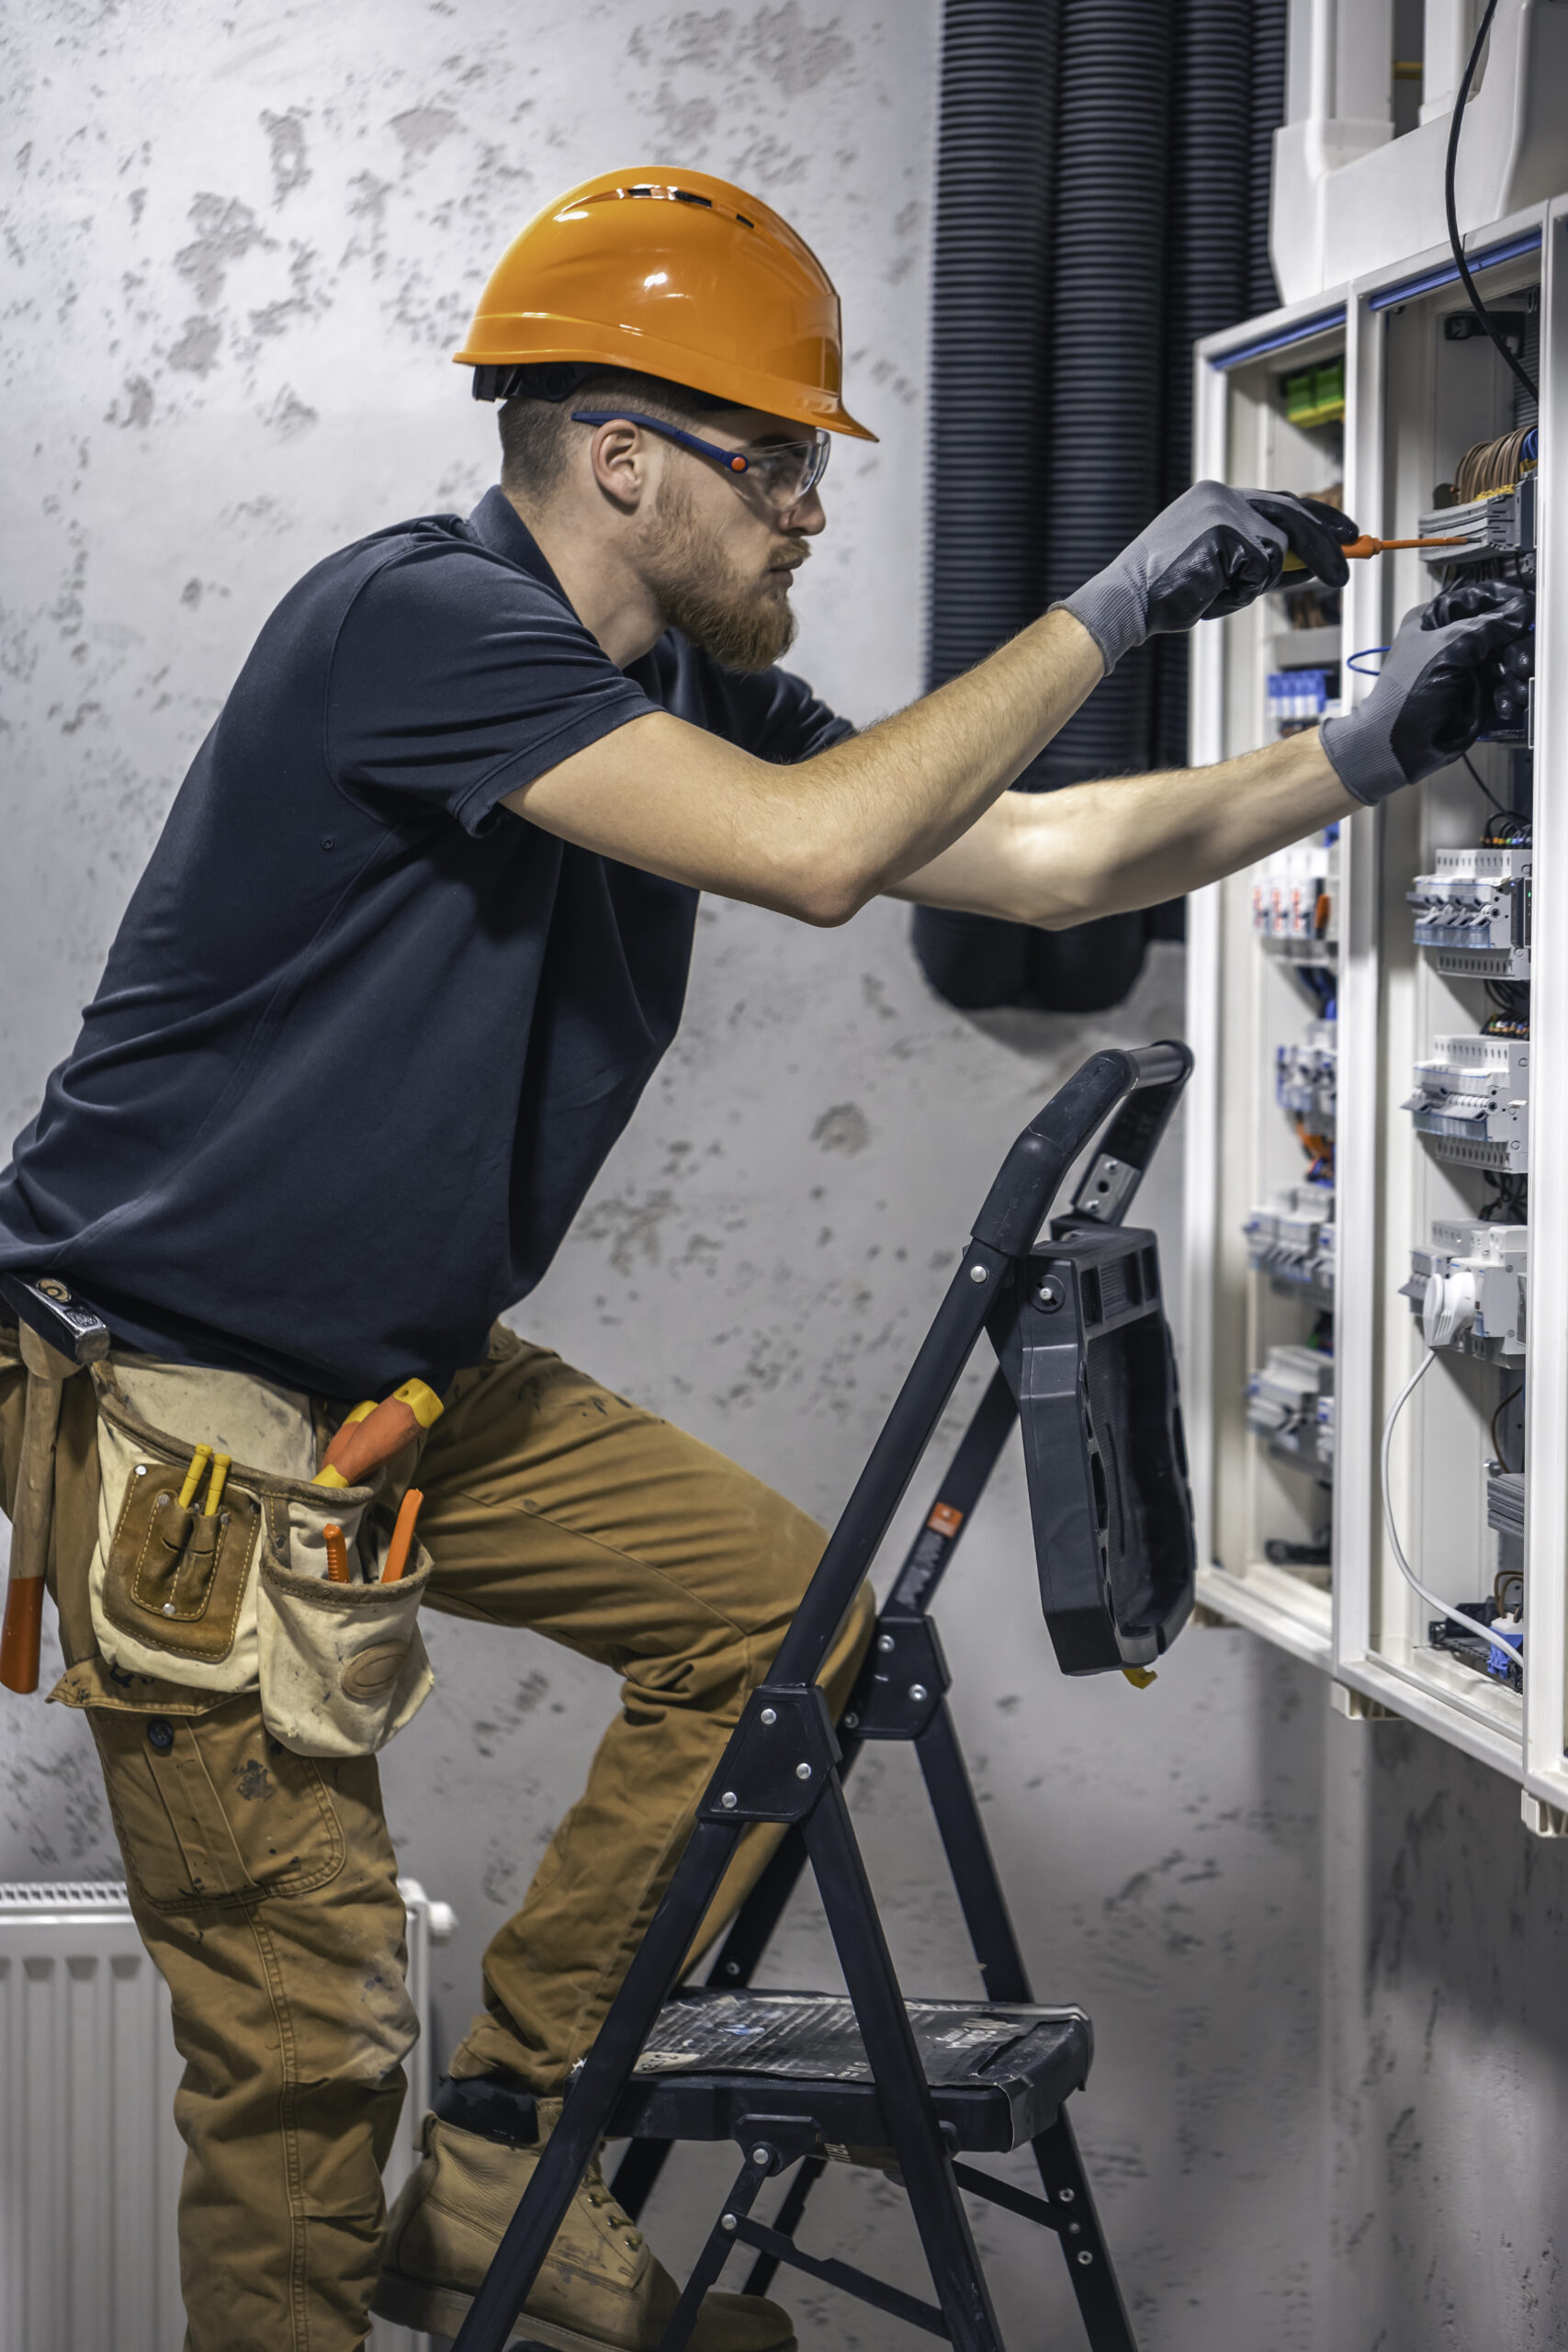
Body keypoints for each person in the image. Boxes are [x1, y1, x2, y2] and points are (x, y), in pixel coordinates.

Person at [0, 165, 1529, 2352]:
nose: (811, 508)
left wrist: (1364, 751)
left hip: (397, 1365)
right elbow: (821, 860)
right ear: (622, 457)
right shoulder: (419, 621)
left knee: (777, 1627)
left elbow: (1027, 853)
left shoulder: (673, 694)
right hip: (179, 1396)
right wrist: (1108, 605)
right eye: (776, 459)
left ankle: (503, 2147)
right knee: (305, 2040)